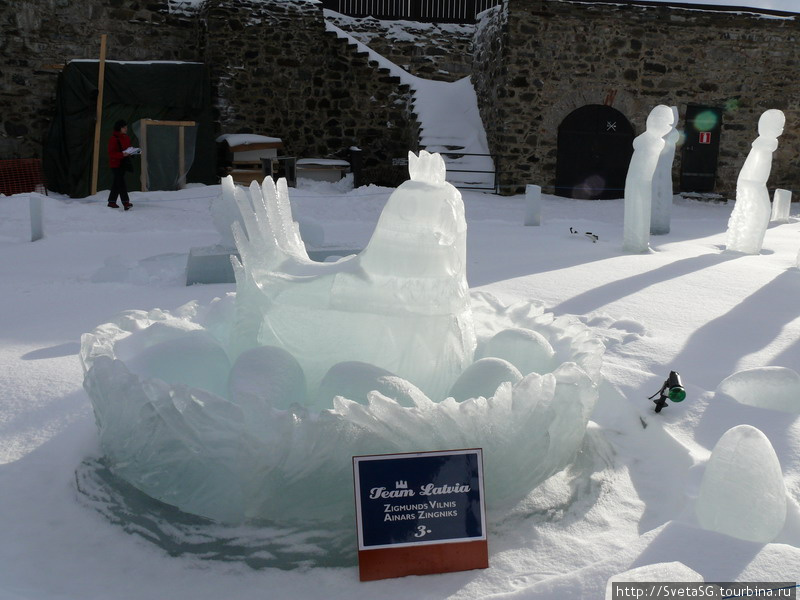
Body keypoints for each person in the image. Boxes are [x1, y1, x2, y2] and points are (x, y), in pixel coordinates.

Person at [107, 119, 135, 210]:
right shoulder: (113, 139)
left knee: (117, 183)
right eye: (124, 127)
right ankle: (126, 203)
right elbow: (111, 153)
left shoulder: (126, 137)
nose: (126, 129)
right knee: (121, 183)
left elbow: (128, 148)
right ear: (119, 128)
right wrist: (122, 154)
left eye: (126, 127)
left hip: (124, 163)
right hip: (116, 164)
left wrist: (133, 151)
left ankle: (111, 202)